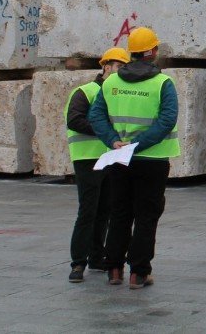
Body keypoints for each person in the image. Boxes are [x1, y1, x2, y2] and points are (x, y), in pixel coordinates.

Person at [89, 27, 179, 289]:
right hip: (153, 159)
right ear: (152, 52)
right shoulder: (163, 83)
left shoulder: (111, 82)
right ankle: (138, 273)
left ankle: (114, 269)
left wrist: (114, 141)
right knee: (146, 215)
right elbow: (166, 121)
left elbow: (96, 116)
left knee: (119, 212)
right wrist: (138, 145)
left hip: (119, 158)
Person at [65, 47, 131, 283]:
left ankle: (96, 257)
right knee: (88, 210)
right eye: (119, 67)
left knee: (105, 210)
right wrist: (105, 132)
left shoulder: (118, 94)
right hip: (88, 157)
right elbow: (74, 120)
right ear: (106, 67)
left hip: (110, 158)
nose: (122, 71)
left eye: (125, 68)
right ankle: (78, 263)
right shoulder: (86, 92)